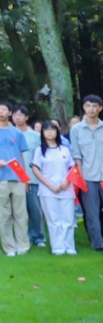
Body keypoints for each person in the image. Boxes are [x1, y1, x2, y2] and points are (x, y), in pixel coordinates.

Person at [0, 101, 31, 256]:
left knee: (20, 214)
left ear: (10, 112)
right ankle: (9, 247)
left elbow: (21, 155)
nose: (1, 112)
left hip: (17, 177)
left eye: (4, 110)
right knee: (3, 215)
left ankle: (23, 245)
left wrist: (25, 178)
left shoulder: (17, 133)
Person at [30, 120, 77, 255]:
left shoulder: (65, 149)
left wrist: (66, 183)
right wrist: (50, 185)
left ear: (57, 132)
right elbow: (36, 169)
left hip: (66, 188)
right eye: (46, 130)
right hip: (47, 190)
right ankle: (57, 247)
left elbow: (72, 168)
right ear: (42, 133)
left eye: (53, 129)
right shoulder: (39, 150)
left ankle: (69, 246)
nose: (50, 132)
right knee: (54, 220)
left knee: (68, 219)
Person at [11, 106, 45, 250]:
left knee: (35, 210)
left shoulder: (35, 136)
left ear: (27, 117)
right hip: (13, 178)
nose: (17, 117)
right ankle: (23, 237)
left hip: (32, 178)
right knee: (18, 211)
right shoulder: (9, 134)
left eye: (20, 115)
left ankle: (38, 237)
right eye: (15, 115)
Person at [73, 95, 103, 251]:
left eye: (94, 106)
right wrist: (81, 177)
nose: (91, 109)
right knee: (92, 213)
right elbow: (76, 155)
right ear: (84, 108)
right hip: (88, 177)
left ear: (100, 108)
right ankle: (98, 243)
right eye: (88, 106)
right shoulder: (76, 129)